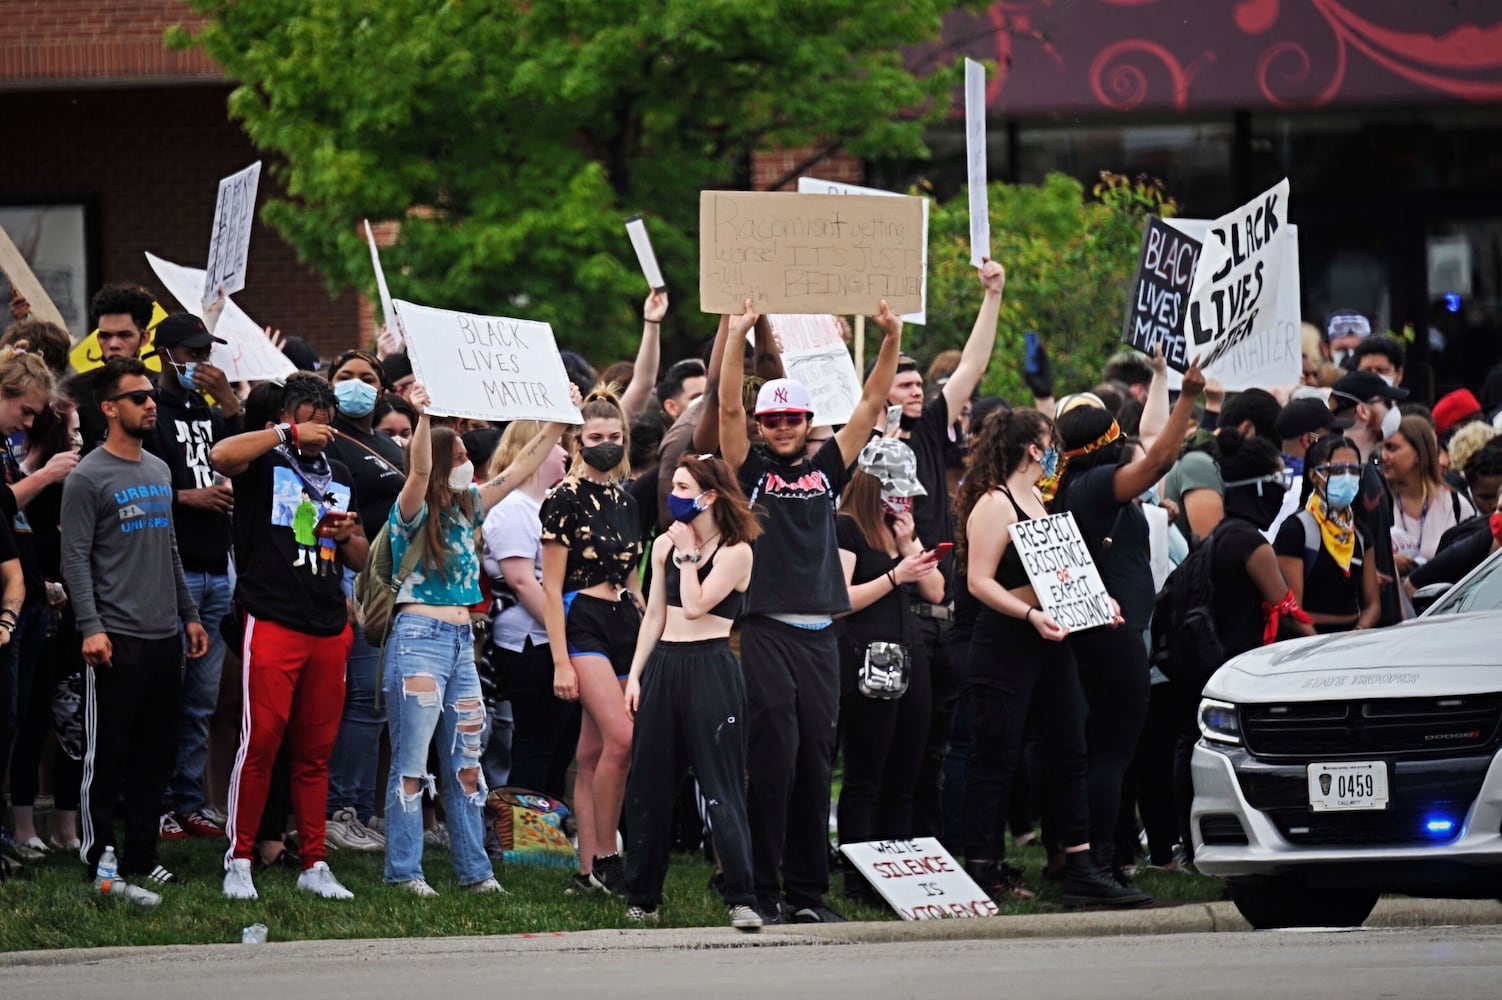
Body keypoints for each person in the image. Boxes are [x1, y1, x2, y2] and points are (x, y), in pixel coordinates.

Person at [718, 299, 905, 924]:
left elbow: (872, 404)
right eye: (773, 419)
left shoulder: (829, 469)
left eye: (794, 417)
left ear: (807, 420)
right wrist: (737, 334)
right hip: (767, 631)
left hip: (823, 636)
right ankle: (759, 892)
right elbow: (724, 410)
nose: (783, 426)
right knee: (772, 763)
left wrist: (890, 339)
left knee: (814, 764)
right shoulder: (749, 470)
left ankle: (806, 895)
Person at [955, 406, 1148, 907]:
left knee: (1070, 747)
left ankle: (1082, 864)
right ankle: (982, 867)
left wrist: (1097, 603)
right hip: (1006, 641)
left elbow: (1060, 575)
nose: (1057, 453)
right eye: (1050, 443)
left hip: (1050, 639)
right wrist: (1028, 616)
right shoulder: (994, 504)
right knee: (995, 756)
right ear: (1031, 449)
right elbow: (980, 581)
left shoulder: (1040, 502)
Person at [384, 383, 569, 896]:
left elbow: (515, 471)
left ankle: (475, 872)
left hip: (463, 644)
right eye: (462, 456)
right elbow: (419, 469)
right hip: (418, 637)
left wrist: (554, 420)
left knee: (467, 763)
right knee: (412, 763)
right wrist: (423, 418)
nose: (472, 462)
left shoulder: (471, 507)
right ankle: (404, 872)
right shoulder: (413, 508)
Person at [210, 375, 369, 902]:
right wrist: (284, 435)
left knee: (316, 752)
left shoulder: (340, 471)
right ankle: (239, 858)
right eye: (309, 415)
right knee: (260, 741)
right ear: (286, 417)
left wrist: (348, 538)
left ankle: (316, 862)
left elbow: (362, 557)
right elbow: (220, 455)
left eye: (324, 416)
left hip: (328, 623)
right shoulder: (265, 459)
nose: (320, 425)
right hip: (273, 617)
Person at [1048, 354, 1205, 878]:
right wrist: (1187, 394)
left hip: (1096, 633)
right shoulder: (1095, 487)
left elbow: (1150, 444)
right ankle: (1098, 862)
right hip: (1112, 639)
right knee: (1112, 756)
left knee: (1093, 754)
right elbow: (1158, 459)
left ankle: (1082, 855)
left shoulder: (1071, 483)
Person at [61, 357, 208, 901]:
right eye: (138, 397)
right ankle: (98, 852)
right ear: (109, 408)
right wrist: (91, 627)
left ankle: (144, 856)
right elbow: (74, 560)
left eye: (150, 396)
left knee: (156, 757)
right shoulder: (87, 477)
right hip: (114, 640)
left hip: (163, 635)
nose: (151, 404)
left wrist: (189, 615)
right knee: (107, 755)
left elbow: (169, 548)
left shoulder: (159, 470)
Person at [877, 259, 1004, 847]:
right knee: (884, 749)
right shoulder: (860, 448)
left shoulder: (929, 431)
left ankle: (929, 853)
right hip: (880, 613)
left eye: (919, 386)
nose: (916, 392)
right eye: (902, 385)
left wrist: (993, 297)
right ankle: (874, 853)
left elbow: (972, 366)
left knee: (933, 746)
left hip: (938, 620)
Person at [622, 454, 761, 930]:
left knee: (720, 785)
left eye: (684, 487)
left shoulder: (737, 550)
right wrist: (637, 673)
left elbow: (698, 605)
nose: (675, 496)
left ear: (710, 496)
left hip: (710, 666)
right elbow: (656, 615)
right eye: (674, 486)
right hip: (665, 662)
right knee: (648, 785)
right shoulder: (664, 546)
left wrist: (685, 556)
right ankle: (642, 893)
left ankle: (742, 895)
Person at [140, 313, 242, 842]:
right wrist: (187, 497)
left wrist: (230, 403)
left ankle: (187, 800)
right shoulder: (150, 413)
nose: (201, 364)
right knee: (165, 696)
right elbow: (128, 482)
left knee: (202, 700)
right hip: (172, 570)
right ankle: (153, 801)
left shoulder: (209, 408)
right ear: (167, 356)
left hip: (215, 568)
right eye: (193, 354)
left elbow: (251, 457)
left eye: (206, 355)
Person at [541, 385, 642, 896]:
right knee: (621, 739)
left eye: (615, 436)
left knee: (593, 751)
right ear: (578, 441)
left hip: (624, 620)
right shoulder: (563, 497)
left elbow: (635, 575)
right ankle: (606, 853)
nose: (607, 444)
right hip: (580, 619)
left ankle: (585, 874)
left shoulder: (627, 498)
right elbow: (550, 586)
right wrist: (561, 661)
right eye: (596, 436)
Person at [833, 438, 942, 903]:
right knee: (865, 774)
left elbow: (936, 591)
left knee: (906, 772)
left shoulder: (895, 529)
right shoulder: (845, 528)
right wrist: (895, 575)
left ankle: (896, 874)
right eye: (894, 492)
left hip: (909, 656)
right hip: (864, 659)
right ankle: (859, 876)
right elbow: (838, 600)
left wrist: (908, 543)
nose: (901, 501)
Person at [322, 348, 408, 853]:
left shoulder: (384, 443)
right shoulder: (331, 441)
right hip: (349, 580)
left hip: (388, 582)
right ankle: (338, 810)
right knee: (361, 700)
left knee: (375, 703)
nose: (357, 384)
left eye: (368, 377)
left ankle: (356, 807)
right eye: (346, 376)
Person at [481, 421, 575, 798]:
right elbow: (522, 582)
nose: (567, 452)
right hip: (528, 642)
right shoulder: (514, 509)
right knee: (535, 740)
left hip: (548, 638)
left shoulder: (545, 504)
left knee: (558, 741)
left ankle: (547, 832)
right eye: (557, 444)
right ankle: (524, 835)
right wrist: (565, 633)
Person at [1275, 435, 1380, 632]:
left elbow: (1373, 604)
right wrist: (1316, 643)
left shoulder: (1359, 533)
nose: (1348, 478)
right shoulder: (1296, 530)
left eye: (1354, 470)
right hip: (1309, 639)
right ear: (1314, 476)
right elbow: (1291, 610)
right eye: (1338, 470)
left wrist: (1358, 632)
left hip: (1352, 640)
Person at [1327, 370, 1407, 625]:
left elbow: (1383, 545)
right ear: (1362, 411)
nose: (1394, 411)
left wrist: (1401, 612)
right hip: (1361, 630)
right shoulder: (1338, 482)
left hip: (1388, 625)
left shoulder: (1373, 470)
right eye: (1388, 403)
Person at [64, 283, 157, 455]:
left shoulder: (160, 388)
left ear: (144, 337)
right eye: (105, 336)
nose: (113, 345)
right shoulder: (74, 391)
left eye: (124, 335)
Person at [1383, 415, 1476, 577]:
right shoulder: (1377, 503)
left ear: (1418, 453)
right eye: (1382, 448)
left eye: (1392, 448)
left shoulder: (1455, 505)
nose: (1383, 456)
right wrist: (1387, 564)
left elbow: (1472, 563)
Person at [1268, 397, 1353, 540]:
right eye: (1332, 438)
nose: (1338, 444)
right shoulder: (1306, 487)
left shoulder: (1268, 478)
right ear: (1309, 440)